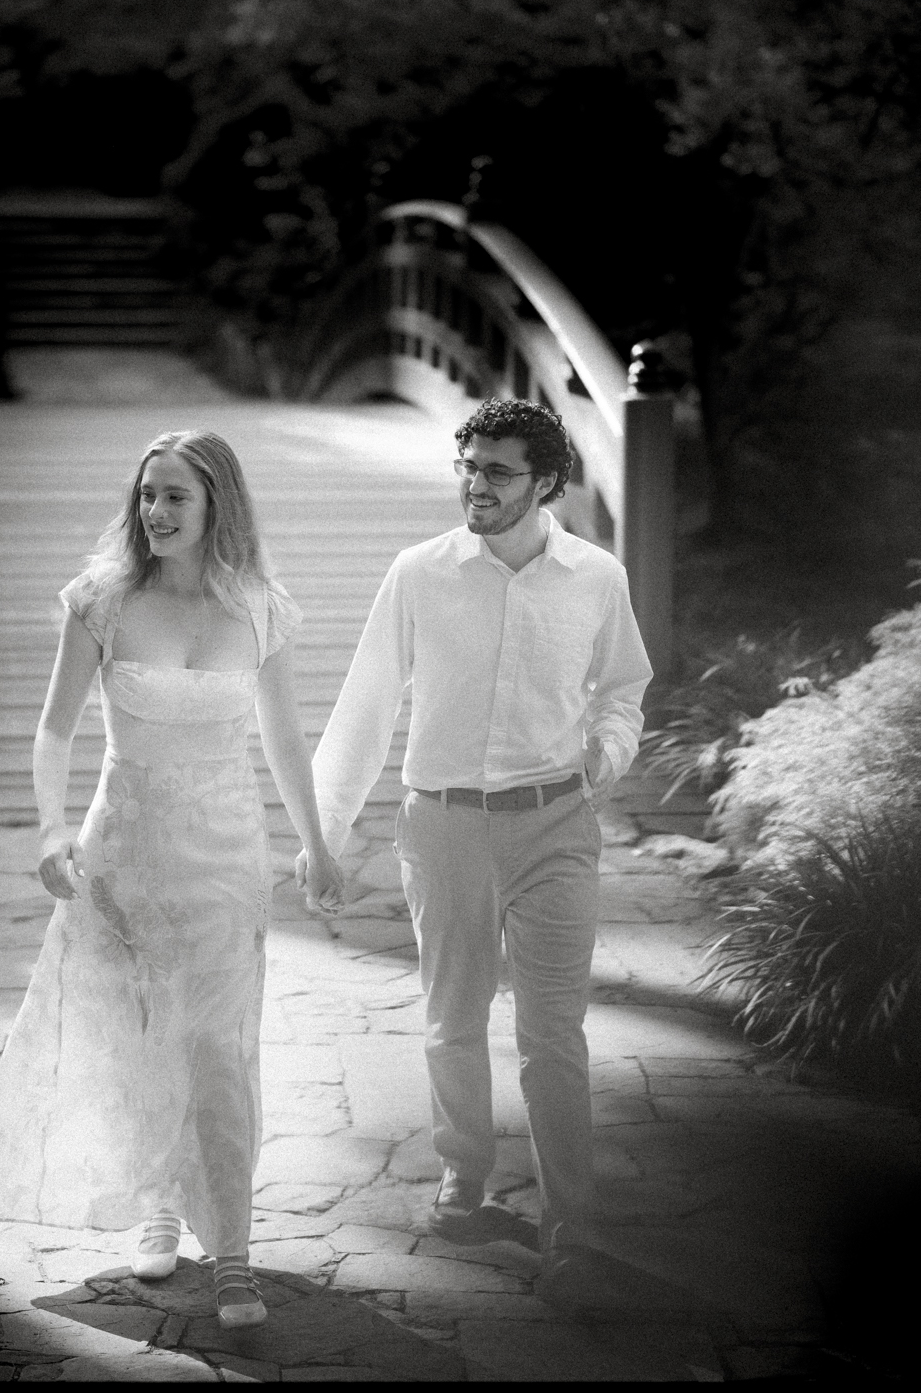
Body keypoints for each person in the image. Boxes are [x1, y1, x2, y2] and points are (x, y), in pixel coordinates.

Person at [0, 429, 347, 1330]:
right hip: (124, 851)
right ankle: (159, 1209)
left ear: (217, 504)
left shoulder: (259, 608)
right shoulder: (100, 600)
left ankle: (238, 1258)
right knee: (142, 1041)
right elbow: (56, 729)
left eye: (176, 496)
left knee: (221, 1048)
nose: (157, 512)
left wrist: (319, 844)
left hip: (224, 853)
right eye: (147, 495)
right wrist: (52, 828)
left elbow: (286, 740)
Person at [306, 397, 652, 1307]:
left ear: (545, 483)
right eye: (466, 466)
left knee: (553, 1035)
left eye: (496, 472)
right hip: (445, 822)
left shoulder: (595, 576)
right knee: (452, 1018)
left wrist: (606, 757)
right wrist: (324, 837)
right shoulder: (420, 574)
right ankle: (464, 1190)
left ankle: (570, 1225)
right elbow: (366, 707)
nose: (475, 486)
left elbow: (623, 691)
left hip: (555, 825)